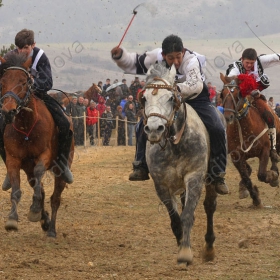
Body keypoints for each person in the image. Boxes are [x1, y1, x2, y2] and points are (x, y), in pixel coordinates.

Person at [111, 34, 228, 194]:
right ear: (164, 55)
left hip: (196, 99)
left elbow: (195, 84)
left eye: (178, 57)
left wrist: (177, 90)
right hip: (167, 100)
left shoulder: (192, 60)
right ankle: (140, 165)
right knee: (141, 125)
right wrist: (120, 56)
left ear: (183, 52)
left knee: (217, 128)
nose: (176, 61)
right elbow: (133, 62)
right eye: (171, 58)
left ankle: (217, 174)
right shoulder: (154, 57)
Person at [0, 29, 73, 191]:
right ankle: (8, 167)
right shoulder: (10, 58)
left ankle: (62, 164)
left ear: (33, 45)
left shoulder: (40, 57)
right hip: (14, 101)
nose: (22, 51)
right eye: (19, 47)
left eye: (25, 47)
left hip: (38, 97)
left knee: (63, 122)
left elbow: (48, 81)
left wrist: (32, 86)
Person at [227, 48, 280, 161]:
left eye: (252, 63)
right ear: (242, 59)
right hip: (240, 98)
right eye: (247, 63)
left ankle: (273, 148)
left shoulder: (260, 61)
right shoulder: (235, 67)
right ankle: (226, 144)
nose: (250, 65)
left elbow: (275, 58)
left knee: (270, 117)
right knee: (228, 115)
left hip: (255, 97)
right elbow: (231, 81)